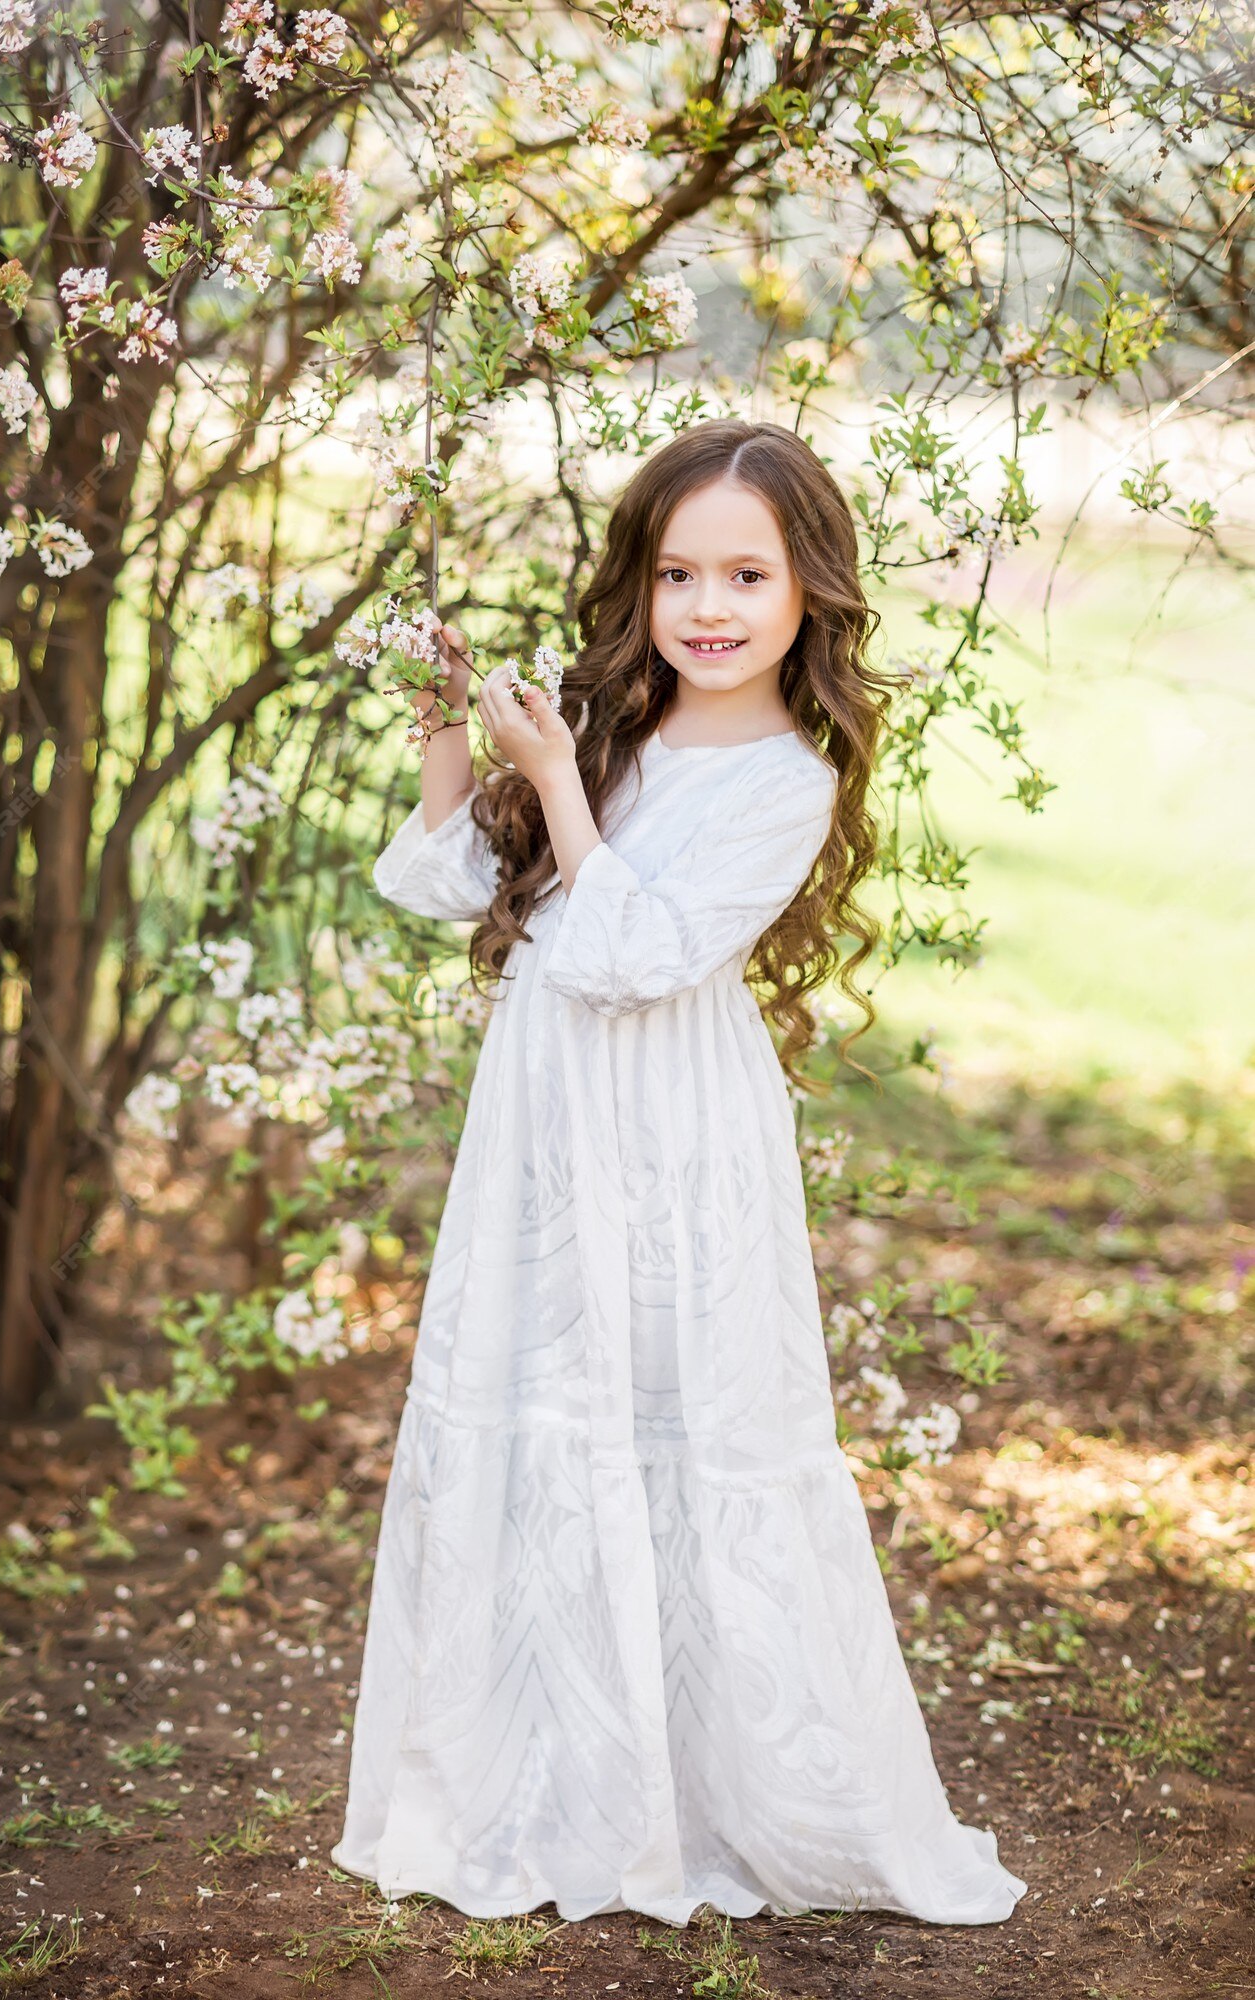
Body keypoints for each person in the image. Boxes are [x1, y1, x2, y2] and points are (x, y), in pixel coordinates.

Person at [331, 418, 1028, 1928]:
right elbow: (454, 881)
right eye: (678, 572)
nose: (709, 606)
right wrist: (457, 726)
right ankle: (550, 1780)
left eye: (747, 575)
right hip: (550, 1122)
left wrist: (560, 786)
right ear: (640, 586)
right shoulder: (613, 727)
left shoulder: (788, 778)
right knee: (550, 1402)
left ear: (807, 594)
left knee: (681, 1412)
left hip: (673, 1130)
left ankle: (709, 1791)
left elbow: (640, 954)